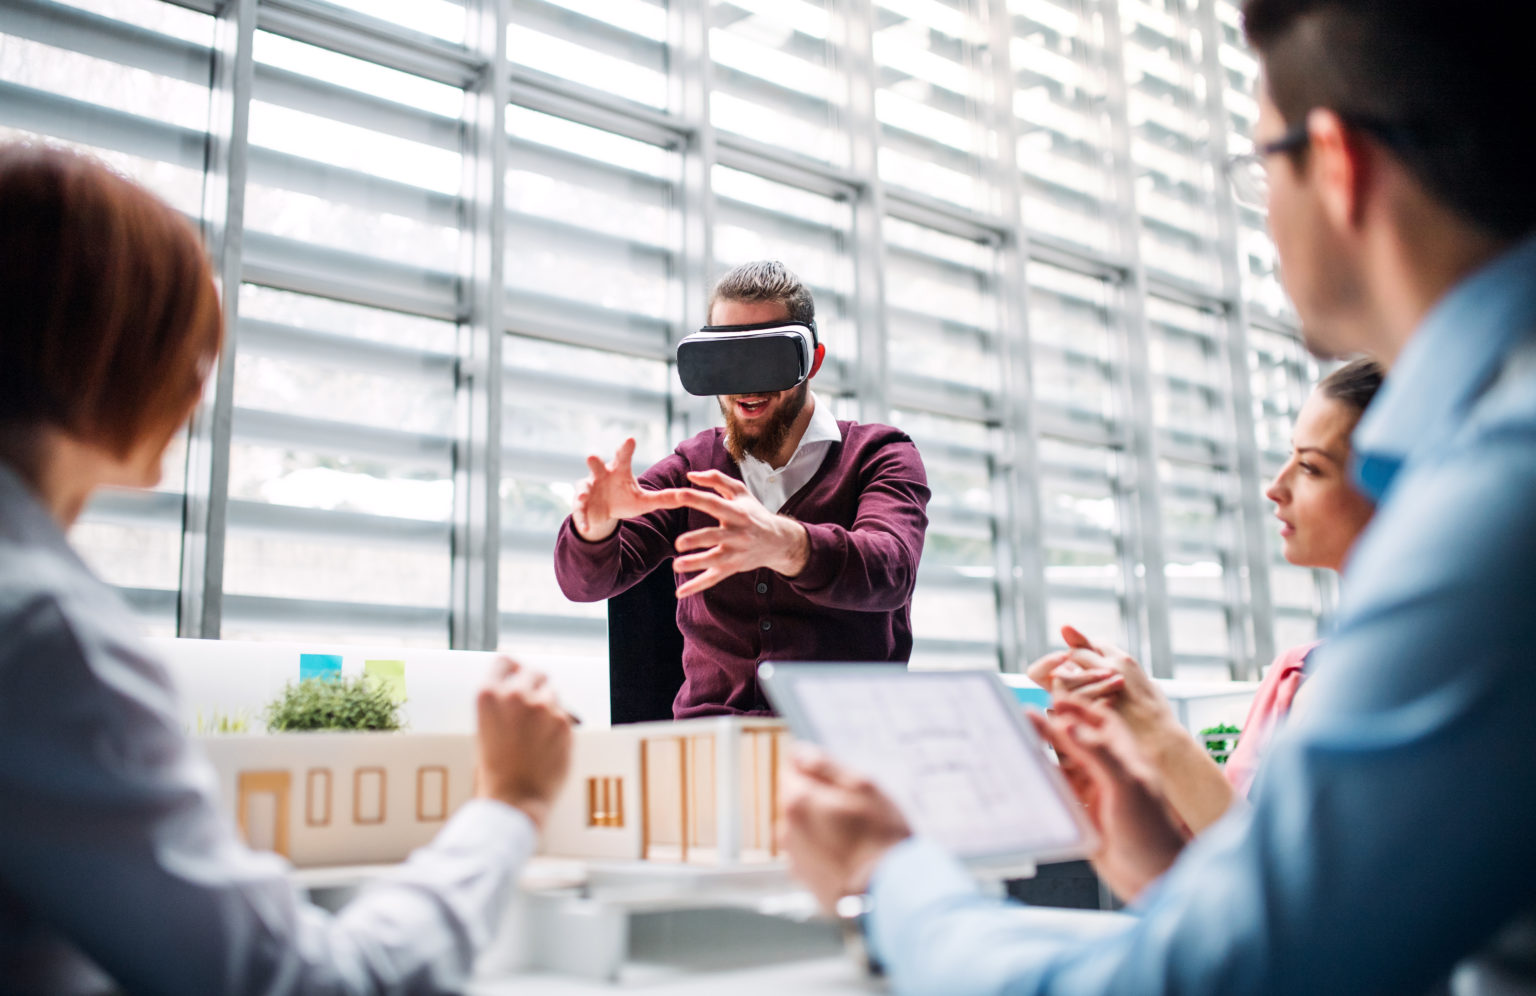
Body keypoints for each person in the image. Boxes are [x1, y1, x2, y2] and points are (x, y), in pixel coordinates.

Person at [782, 0, 1536, 990]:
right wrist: (1173, 873)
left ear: (1339, 163)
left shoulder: (1497, 503)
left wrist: (891, 880)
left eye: (1260, 166)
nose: (1261, 212)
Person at [0, 143, 574, 995]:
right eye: (188, 354)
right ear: (109, 352)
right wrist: (511, 804)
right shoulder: (49, 642)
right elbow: (306, 984)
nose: (198, 397)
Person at [553, 261, 930, 718]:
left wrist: (784, 543)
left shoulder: (879, 454)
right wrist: (593, 531)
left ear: (812, 360)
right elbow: (584, 582)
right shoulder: (692, 467)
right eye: (726, 360)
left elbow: (890, 569)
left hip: (842, 746)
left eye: (766, 358)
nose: (747, 385)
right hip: (710, 750)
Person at [1029, 358, 1383, 835]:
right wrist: (1105, 761)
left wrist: (1157, 731)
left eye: (1310, 467)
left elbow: (1284, 883)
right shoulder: (1293, 675)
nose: (1275, 488)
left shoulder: (1433, 680)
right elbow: (1219, 862)